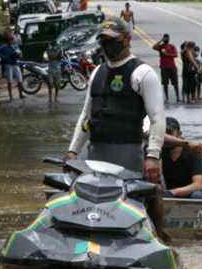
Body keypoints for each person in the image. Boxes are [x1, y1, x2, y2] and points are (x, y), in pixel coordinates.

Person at [66, 18, 170, 242]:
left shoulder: (143, 73)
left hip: (129, 153)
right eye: (103, 41)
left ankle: (159, 237)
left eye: (112, 40)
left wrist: (153, 156)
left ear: (126, 39)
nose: (107, 46)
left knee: (147, 194)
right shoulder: (96, 73)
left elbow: (157, 118)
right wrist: (73, 151)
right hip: (97, 153)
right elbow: (86, 117)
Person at [161, 118, 202, 199]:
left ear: (179, 134)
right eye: (162, 134)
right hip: (172, 195)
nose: (166, 139)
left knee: (197, 195)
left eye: (169, 133)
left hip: (196, 194)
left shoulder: (193, 151)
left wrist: (172, 192)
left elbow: (198, 185)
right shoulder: (158, 152)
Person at [0, 31, 24, 101]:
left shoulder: (15, 46)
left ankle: (21, 94)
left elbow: (20, 54)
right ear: (8, 41)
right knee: (9, 81)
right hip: (8, 65)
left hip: (15, 64)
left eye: (12, 40)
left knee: (20, 80)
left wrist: (19, 55)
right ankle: (11, 96)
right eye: (11, 40)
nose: (12, 41)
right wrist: (3, 56)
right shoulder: (4, 47)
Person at [153, 34, 180, 103]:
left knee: (175, 83)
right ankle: (167, 98)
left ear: (169, 39)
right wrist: (161, 40)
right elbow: (154, 47)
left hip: (172, 67)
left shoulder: (172, 46)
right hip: (164, 67)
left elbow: (176, 55)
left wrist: (167, 54)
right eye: (165, 38)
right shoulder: (161, 47)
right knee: (165, 84)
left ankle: (178, 97)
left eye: (167, 38)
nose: (166, 39)